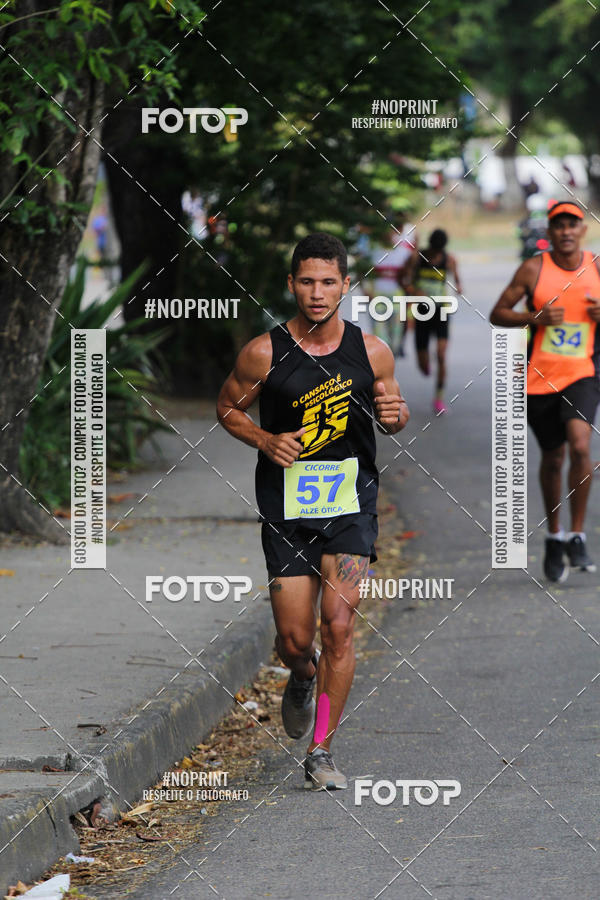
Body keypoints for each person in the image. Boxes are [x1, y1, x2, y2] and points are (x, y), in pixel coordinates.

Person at [217, 233, 409, 789]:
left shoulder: (372, 352)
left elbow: (391, 414)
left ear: (346, 285)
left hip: (351, 504)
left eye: (329, 282)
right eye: (307, 281)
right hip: (287, 509)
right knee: (297, 641)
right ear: (291, 284)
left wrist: (396, 417)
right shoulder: (264, 352)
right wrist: (263, 438)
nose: (318, 292)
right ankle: (301, 675)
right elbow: (227, 407)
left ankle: (321, 750)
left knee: (340, 628)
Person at [490, 200, 600, 582]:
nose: (566, 231)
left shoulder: (597, 266)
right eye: (559, 226)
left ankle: (578, 534)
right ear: (550, 233)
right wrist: (532, 317)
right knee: (553, 459)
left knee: (581, 445)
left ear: (582, 230)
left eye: (573, 224)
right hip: (538, 379)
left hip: (583, 371)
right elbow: (497, 313)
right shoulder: (534, 269)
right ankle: (555, 536)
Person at [406, 229, 462, 414]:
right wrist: (414, 290)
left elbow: (458, 283)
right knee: (423, 366)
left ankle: (439, 398)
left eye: (439, 252)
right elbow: (404, 281)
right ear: (429, 247)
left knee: (441, 355)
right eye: (434, 252)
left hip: (441, 311)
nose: (436, 256)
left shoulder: (450, 260)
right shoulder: (417, 258)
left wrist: (458, 288)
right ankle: (425, 363)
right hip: (422, 313)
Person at [363, 218, 417, 357]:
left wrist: (410, 304)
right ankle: (381, 372)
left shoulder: (405, 254)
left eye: (392, 230)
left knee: (395, 341)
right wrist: (367, 291)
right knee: (380, 339)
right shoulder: (372, 252)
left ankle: (389, 368)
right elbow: (364, 274)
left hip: (397, 299)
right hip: (377, 298)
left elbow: (411, 280)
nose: (388, 233)